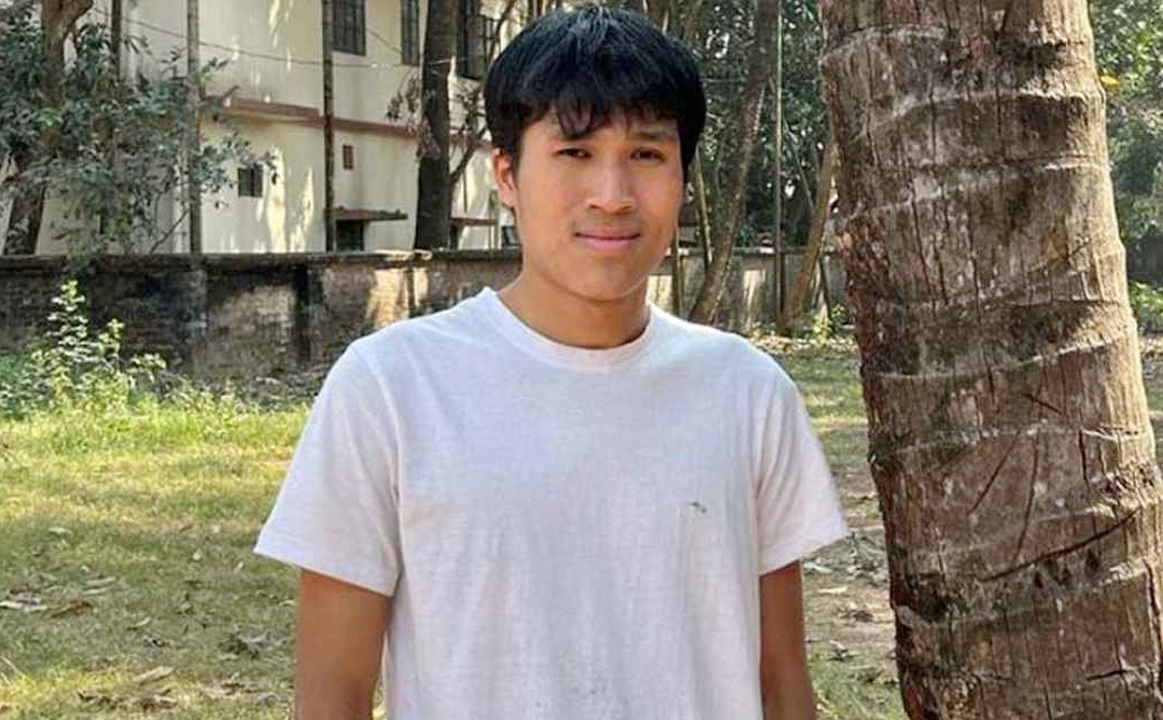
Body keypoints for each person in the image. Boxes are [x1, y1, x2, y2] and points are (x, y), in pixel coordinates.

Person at [254, 6, 848, 719]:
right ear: (507, 175)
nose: (612, 196)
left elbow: (781, 681)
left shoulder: (749, 394)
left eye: (647, 155)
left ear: (682, 177)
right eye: (575, 153)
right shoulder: (391, 388)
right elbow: (334, 692)